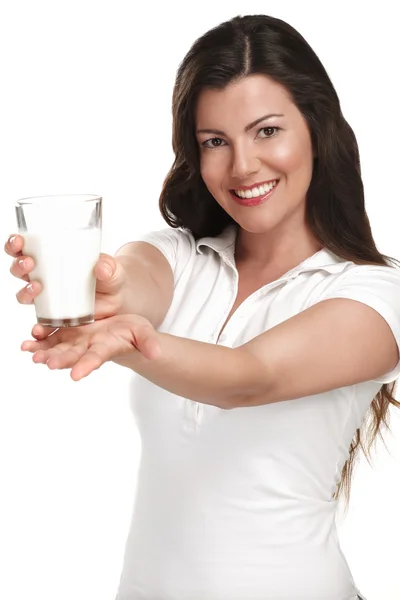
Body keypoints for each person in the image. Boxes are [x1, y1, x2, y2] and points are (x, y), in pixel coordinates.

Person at [4, 13, 399, 600]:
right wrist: (101, 289)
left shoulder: (372, 294)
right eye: (215, 141)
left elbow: (249, 378)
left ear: (317, 130)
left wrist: (137, 343)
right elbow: (135, 277)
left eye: (267, 131)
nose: (242, 166)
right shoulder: (184, 256)